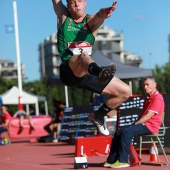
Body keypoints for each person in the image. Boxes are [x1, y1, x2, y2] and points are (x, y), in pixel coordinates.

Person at [51, 0, 131, 136]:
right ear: (68, 5)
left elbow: (98, 16)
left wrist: (104, 12)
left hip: (87, 72)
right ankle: (100, 72)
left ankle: (98, 116)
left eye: (80, 1)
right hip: (69, 70)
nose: (77, 5)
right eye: (73, 2)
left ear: (85, 3)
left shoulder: (90, 21)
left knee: (125, 91)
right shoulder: (64, 17)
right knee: (83, 56)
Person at [104, 76, 165, 168]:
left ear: (154, 85)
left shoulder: (158, 98)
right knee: (118, 132)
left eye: (147, 84)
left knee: (126, 132)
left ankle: (123, 161)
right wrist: (134, 124)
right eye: (144, 85)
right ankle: (111, 160)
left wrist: (134, 124)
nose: (145, 87)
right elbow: (143, 116)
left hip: (151, 126)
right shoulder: (148, 98)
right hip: (145, 124)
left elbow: (148, 116)